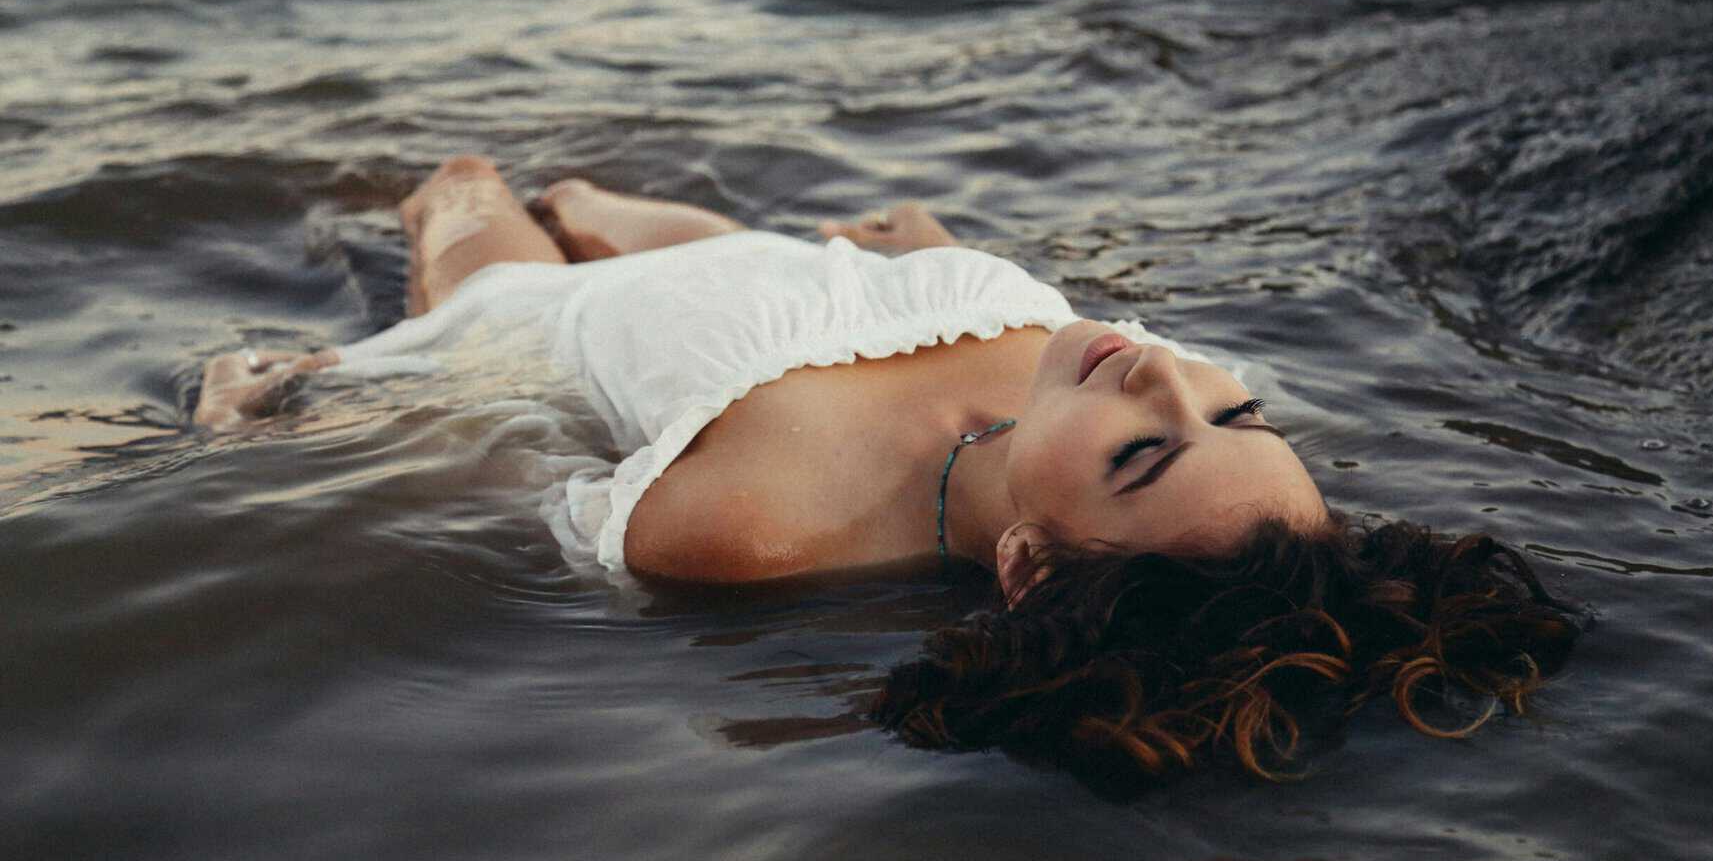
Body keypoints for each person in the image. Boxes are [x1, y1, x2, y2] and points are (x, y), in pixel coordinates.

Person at [195, 156, 1581, 789]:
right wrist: (940, 247)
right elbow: (1118, 363)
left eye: (1150, 454)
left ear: (1029, 564)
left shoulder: (759, 532)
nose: (1171, 381)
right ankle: (593, 214)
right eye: (1241, 416)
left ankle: (524, 222)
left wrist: (275, 427)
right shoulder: (1152, 379)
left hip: (551, 333)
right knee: (590, 197)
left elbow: (502, 443)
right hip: (764, 261)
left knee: (472, 182)